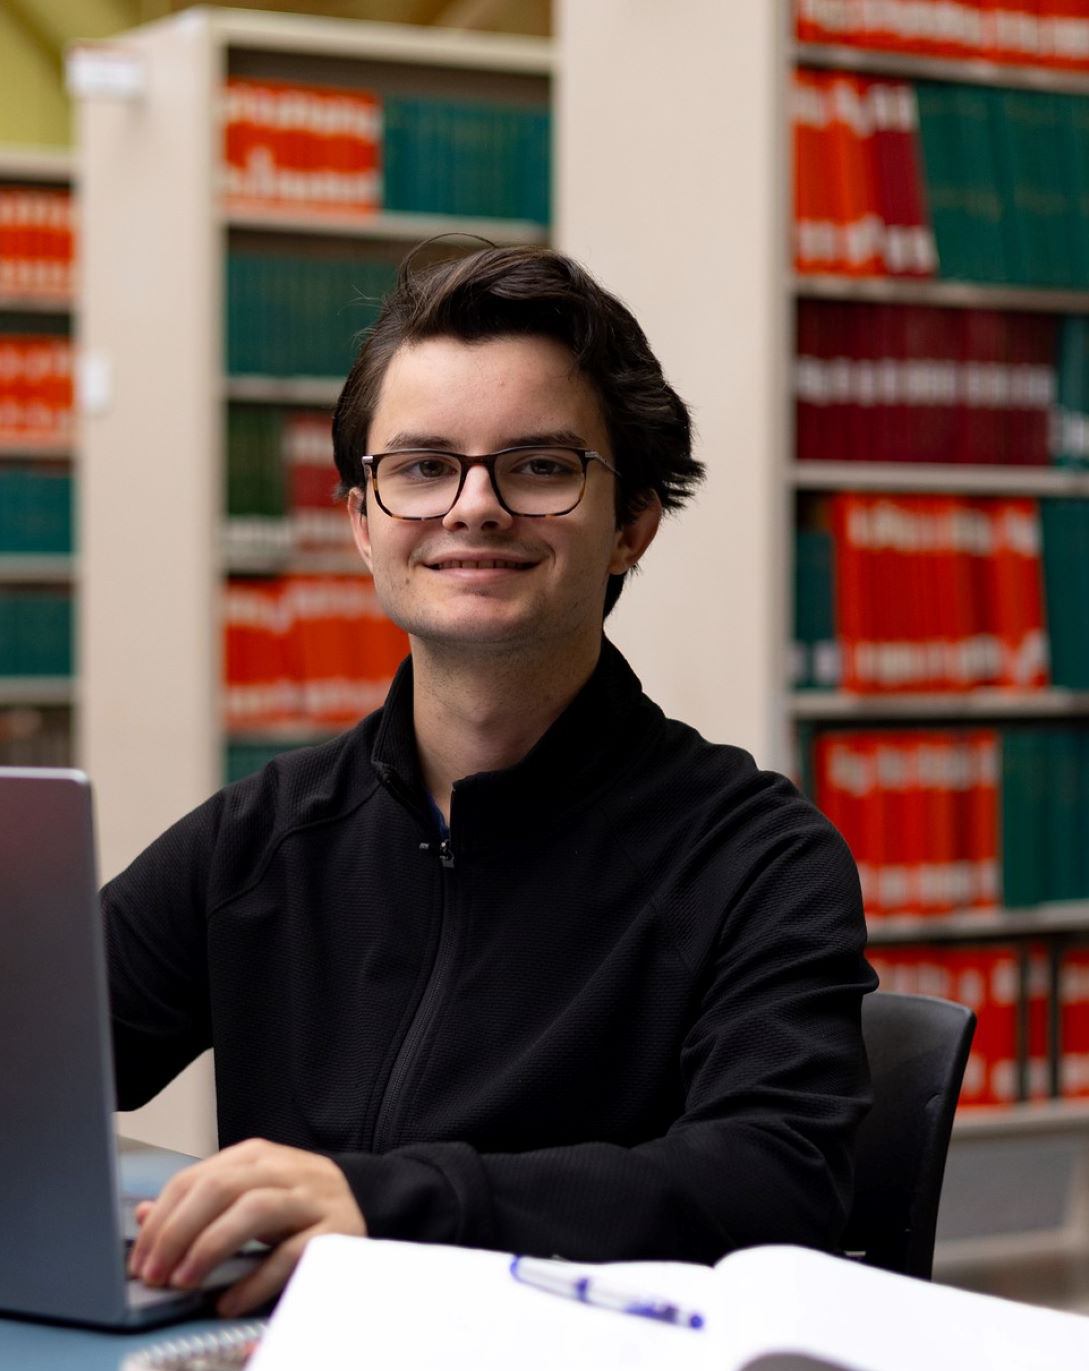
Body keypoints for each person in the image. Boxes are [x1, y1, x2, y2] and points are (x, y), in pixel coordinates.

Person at [109, 246, 874, 1316]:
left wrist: (389, 1206)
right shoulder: (261, 838)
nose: (472, 507)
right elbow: (18, 1061)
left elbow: (774, 1183)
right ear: (362, 523)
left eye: (540, 465)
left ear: (634, 525)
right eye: (420, 467)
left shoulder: (753, 855)